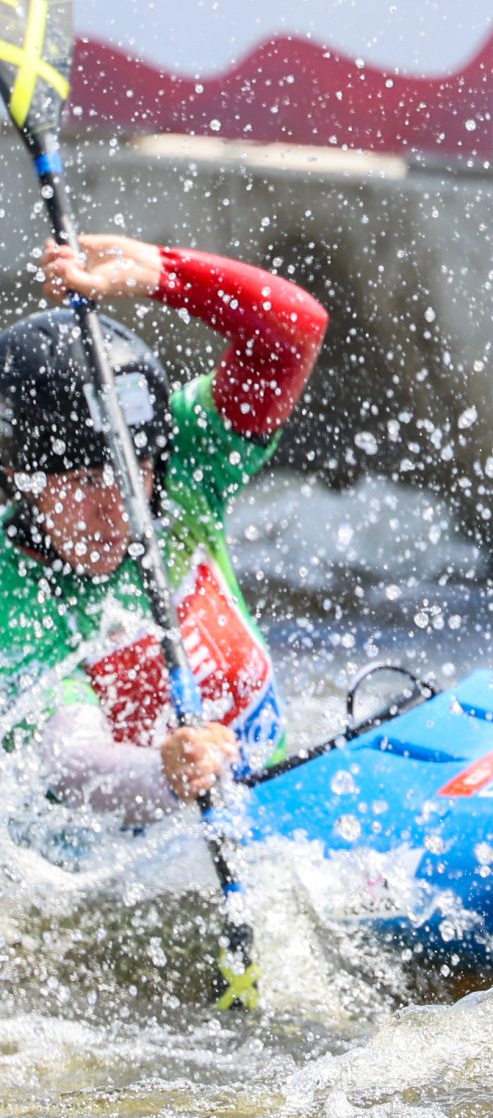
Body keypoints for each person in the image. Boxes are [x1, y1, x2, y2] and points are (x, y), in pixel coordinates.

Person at [0, 234, 327, 824]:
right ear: (16, 476)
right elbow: (69, 760)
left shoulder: (183, 462)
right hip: (127, 868)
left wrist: (159, 275)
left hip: (280, 806)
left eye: (132, 473)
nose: (115, 508)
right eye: (81, 483)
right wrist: (166, 773)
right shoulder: (12, 593)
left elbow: (294, 330)